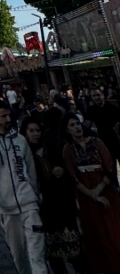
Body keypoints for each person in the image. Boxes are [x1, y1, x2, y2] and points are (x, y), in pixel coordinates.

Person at [0, 100, 47, 274]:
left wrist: (36, 195)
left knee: (36, 251)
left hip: (29, 203)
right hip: (6, 208)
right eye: (3, 115)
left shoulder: (20, 140)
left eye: (9, 115)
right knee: (18, 253)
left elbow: (30, 169)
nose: (8, 118)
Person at [20, 116, 85, 274]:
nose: (36, 134)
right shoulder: (24, 155)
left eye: (38, 130)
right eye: (32, 131)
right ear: (25, 133)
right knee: (54, 253)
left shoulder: (50, 148)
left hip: (63, 203)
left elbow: (66, 170)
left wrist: (60, 171)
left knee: (75, 250)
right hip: (45, 207)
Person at [62, 111, 120, 273]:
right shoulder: (68, 149)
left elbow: (109, 166)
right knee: (96, 238)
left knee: (114, 236)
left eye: (77, 123)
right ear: (67, 129)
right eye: (72, 125)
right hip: (86, 198)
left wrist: (99, 190)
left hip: (106, 192)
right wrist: (91, 194)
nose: (76, 127)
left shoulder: (96, 142)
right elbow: (72, 176)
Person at [86, 85, 120, 162]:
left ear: (102, 95)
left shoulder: (112, 108)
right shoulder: (91, 110)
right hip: (102, 139)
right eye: (93, 96)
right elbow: (87, 125)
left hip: (115, 137)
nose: (96, 97)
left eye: (98, 95)